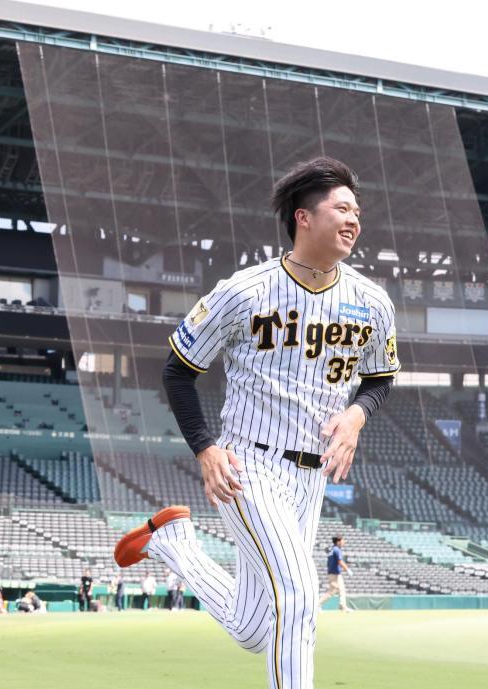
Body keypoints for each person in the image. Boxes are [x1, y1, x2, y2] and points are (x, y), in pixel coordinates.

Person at [114, 157, 398, 689]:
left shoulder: (372, 301)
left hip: (311, 480)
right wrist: (205, 448)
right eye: (341, 207)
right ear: (303, 218)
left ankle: (173, 544)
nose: (353, 219)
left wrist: (357, 415)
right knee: (297, 591)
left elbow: (380, 379)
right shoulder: (244, 290)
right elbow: (178, 370)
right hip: (250, 464)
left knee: (252, 628)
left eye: (357, 210)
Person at [318, 536, 352, 612]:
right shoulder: (337, 550)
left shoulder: (332, 550)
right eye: (343, 540)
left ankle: (343, 606)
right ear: (338, 542)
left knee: (341, 589)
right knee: (332, 591)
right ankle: (317, 604)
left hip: (332, 573)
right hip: (335, 574)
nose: (344, 542)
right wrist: (347, 569)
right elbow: (340, 561)